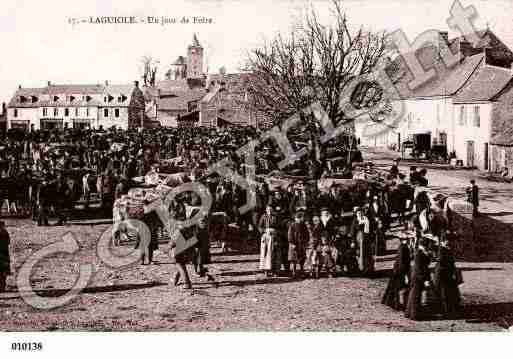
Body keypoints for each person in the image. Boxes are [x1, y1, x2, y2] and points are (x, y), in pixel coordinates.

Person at [433, 238, 462, 318]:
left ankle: (451, 311)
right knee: (445, 295)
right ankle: (447, 313)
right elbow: (443, 263)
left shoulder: (446, 249)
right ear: (443, 242)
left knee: (450, 294)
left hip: (447, 275)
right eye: (447, 241)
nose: (449, 242)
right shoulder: (441, 250)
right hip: (444, 276)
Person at [405, 237, 432, 321]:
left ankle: (409, 313)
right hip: (418, 278)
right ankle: (414, 315)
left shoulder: (421, 253)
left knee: (413, 295)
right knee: (416, 296)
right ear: (424, 245)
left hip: (416, 277)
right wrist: (424, 280)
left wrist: (427, 255)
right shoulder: (419, 254)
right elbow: (420, 269)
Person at [381, 234, 411, 310]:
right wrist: (405, 274)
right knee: (397, 288)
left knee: (393, 287)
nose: (409, 240)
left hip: (398, 270)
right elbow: (402, 262)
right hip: (400, 271)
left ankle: (389, 301)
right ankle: (394, 304)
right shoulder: (403, 248)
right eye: (407, 239)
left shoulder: (403, 247)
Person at [350, 207, 374, 275]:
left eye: (361, 213)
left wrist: (371, 238)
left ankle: (369, 268)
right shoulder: (355, 221)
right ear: (356, 214)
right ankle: (362, 268)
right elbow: (352, 232)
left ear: (363, 213)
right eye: (358, 213)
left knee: (368, 254)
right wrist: (353, 241)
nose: (360, 214)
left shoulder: (366, 219)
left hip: (367, 239)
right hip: (359, 239)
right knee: (361, 254)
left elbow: (371, 229)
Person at [287, 211, 309, 278]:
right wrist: (292, 243)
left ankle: (302, 271)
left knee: (302, 259)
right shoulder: (292, 225)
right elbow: (290, 235)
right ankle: (294, 272)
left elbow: (307, 234)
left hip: (301, 244)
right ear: (296, 218)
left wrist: (306, 241)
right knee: (294, 259)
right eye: (299, 218)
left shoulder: (303, 225)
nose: (301, 219)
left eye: (301, 218)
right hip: (294, 244)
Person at [0, 221, 10, 292]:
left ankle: (2, 287)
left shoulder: (4, 232)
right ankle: (2, 286)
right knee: (3, 272)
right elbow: (8, 242)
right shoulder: (5, 232)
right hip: (4, 253)